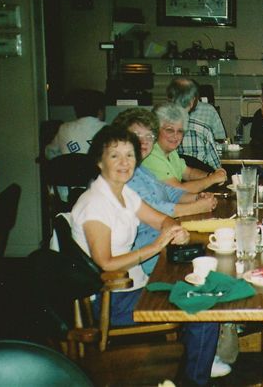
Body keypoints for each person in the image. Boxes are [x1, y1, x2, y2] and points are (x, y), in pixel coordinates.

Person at [71, 126, 224, 385]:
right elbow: (105, 263)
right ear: (99, 161)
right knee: (204, 308)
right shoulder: (95, 204)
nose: (124, 163)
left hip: (135, 285)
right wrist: (156, 246)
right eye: (115, 156)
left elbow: (159, 218)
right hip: (113, 299)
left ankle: (183, 370)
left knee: (203, 290)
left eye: (130, 156)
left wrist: (172, 228)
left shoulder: (123, 193)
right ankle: (193, 380)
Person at [111, 107, 217, 274]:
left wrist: (196, 197)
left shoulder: (140, 169)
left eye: (149, 136)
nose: (145, 142)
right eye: (137, 136)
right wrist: (197, 207)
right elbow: (153, 208)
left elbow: (169, 192)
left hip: (165, 242)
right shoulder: (124, 176)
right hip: (147, 259)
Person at [141, 103, 227, 193]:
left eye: (180, 131)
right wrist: (212, 179)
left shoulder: (171, 153)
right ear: (156, 130)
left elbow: (189, 173)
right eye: (169, 130)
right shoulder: (151, 154)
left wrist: (211, 175)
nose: (175, 136)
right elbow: (177, 190)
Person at [167, 78, 222, 170]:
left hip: (169, 180)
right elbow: (216, 168)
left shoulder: (158, 127)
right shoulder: (203, 130)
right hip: (202, 180)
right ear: (192, 101)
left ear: (169, 99)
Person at [45, 89, 107, 159]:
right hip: (96, 169)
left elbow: (49, 152)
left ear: (76, 111)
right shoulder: (107, 129)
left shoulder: (64, 128)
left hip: (69, 169)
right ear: (100, 111)